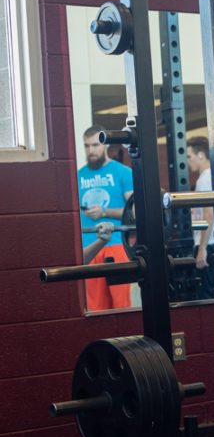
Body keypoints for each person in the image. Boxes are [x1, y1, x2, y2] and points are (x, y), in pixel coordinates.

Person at [78, 125, 133, 311]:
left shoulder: (122, 172)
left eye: (95, 145)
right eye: (86, 146)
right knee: (95, 309)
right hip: (88, 248)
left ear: (105, 145)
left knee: (121, 306)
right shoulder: (77, 176)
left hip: (116, 245)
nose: (90, 150)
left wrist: (104, 212)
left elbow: (134, 212)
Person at [186, 135, 214, 298]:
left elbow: (209, 215)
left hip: (208, 245)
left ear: (201, 155)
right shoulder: (210, 177)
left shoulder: (204, 179)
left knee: (207, 297)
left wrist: (202, 248)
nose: (188, 160)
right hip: (207, 242)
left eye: (189, 156)